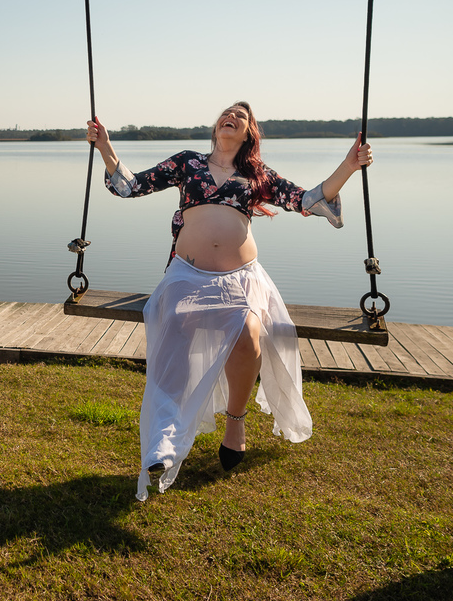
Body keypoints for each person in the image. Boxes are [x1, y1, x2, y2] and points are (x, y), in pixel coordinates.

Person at [85, 102, 372, 501]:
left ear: (249, 132)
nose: (231, 117)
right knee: (174, 332)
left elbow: (306, 199)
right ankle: (163, 442)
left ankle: (235, 422)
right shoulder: (188, 163)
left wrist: (349, 166)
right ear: (216, 126)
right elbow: (132, 185)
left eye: (241, 116)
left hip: (241, 278)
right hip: (186, 275)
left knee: (249, 336)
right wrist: (105, 146)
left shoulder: (257, 175)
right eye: (227, 113)